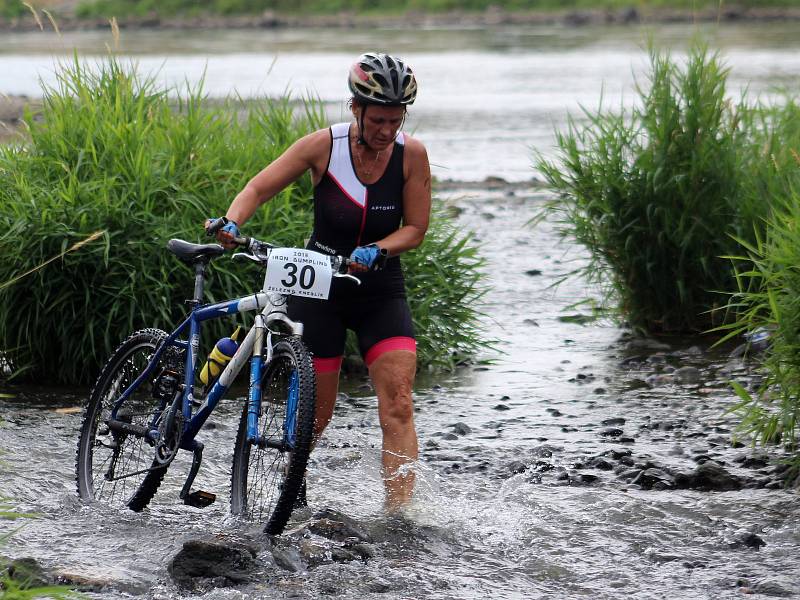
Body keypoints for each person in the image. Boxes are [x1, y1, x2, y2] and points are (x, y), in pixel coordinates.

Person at [208, 52, 431, 510]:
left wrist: (379, 249)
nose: (387, 131)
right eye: (378, 120)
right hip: (320, 290)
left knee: (399, 403)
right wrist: (231, 222)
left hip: (380, 291)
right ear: (356, 109)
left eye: (396, 119)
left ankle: (401, 515)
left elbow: (416, 228)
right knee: (317, 414)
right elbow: (257, 188)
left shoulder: (412, 155)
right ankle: (289, 498)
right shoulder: (322, 147)